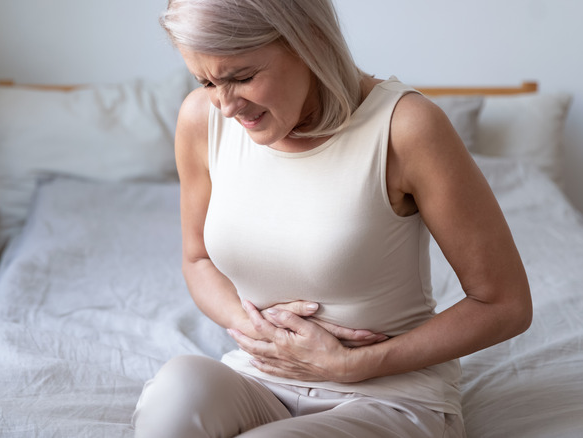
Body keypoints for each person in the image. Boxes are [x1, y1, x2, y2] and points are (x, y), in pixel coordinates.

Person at [132, 0, 533, 436]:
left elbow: (504, 304)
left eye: (242, 77)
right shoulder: (201, 119)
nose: (227, 106)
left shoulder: (406, 127)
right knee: (173, 395)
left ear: (311, 41)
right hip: (261, 376)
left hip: (388, 396)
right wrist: (259, 329)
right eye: (206, 80)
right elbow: (198, 261)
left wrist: (354, 363)